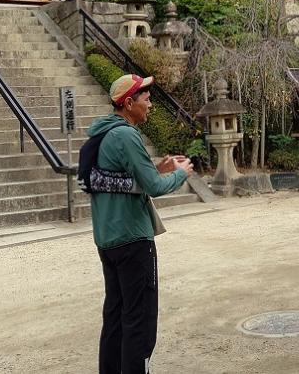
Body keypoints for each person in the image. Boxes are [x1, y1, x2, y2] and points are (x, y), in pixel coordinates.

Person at [91, 73, 193, 374]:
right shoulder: (127, 135)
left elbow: (123, 178)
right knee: (140, 321)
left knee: (116, 316)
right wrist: (181, 173)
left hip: (108, 240)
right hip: (133, 239)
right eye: (144, 97)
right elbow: (154, 187)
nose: (149, 103)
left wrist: (155, 168)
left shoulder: (102, 135)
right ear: (128, 103)